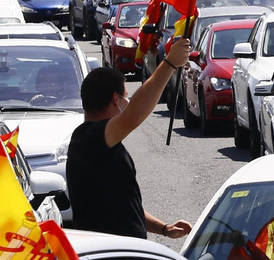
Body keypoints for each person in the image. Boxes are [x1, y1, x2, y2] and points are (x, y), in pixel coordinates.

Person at [66, 37, 193, 240]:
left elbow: (124, 206)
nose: (129, 102)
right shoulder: (90, 138)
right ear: (116, 99)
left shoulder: (97, 141)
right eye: (127, 97)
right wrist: (169, 64)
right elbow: (134, 116)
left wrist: (164, 228)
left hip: (125, 249)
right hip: (111, 252)